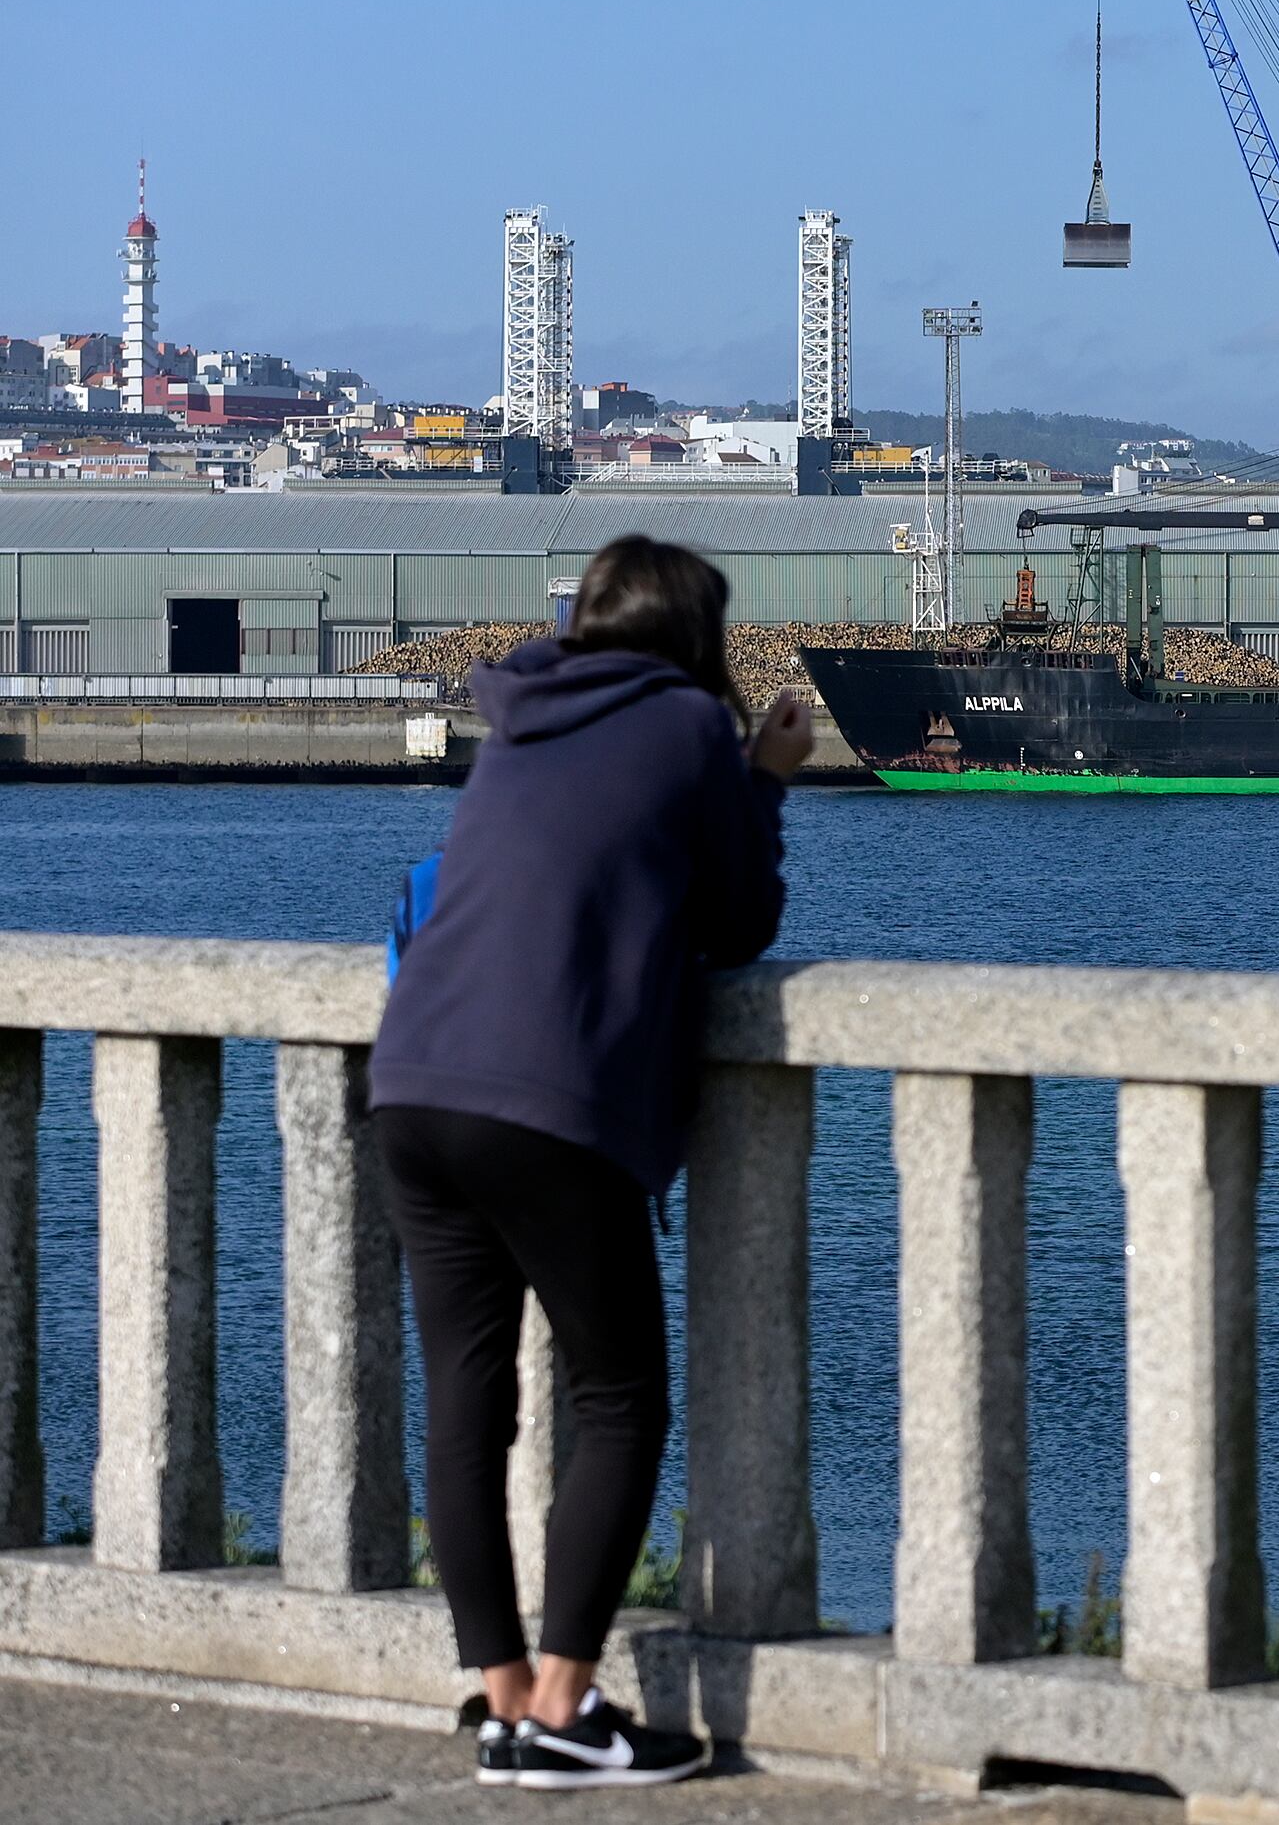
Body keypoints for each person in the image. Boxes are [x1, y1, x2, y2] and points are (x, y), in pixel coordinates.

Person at [368, 535, 809, 1789]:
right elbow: (735, 924)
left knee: (468, 1399)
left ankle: (507, 1701)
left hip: (412, 1079)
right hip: (544, 1097)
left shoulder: (516, 717)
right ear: (692, 635)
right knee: (617, 1398)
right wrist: (764, 778)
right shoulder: (681, 727)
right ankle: (566, 1705)